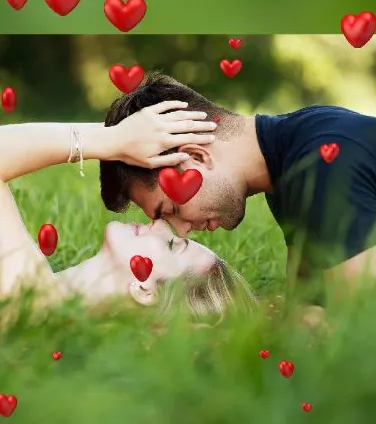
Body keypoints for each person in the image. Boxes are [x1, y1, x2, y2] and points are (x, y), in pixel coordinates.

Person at [100, 71, 376, 324]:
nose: (180, 230)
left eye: (173, 208)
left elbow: (366, 333)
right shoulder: (294, 159)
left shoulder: (323, 161)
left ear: (195, 156)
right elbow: (308, 306)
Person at [0, 102, 251, 315]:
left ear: (144, 290)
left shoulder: (27, 300)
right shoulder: (38, 304)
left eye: (170, 245)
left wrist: (115, 138)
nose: (162, 225)